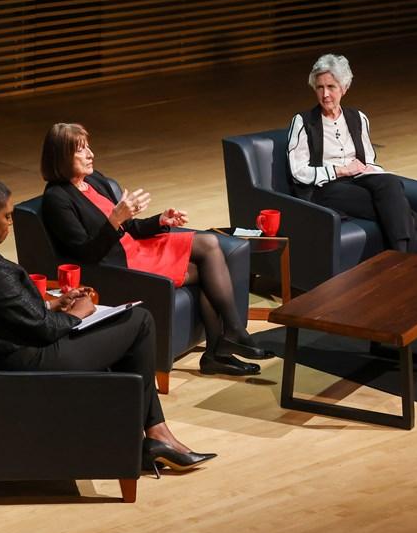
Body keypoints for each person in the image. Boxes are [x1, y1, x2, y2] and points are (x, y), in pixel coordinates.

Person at [0, 176, 213, 475]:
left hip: (13, 347)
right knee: (141, 321)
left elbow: (1, 310)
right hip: (31, 359)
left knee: (128, 324)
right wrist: (77, 314)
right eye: (6, 216)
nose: (11, 223)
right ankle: (151, 435)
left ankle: (143, 435)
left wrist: (52, 303)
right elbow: (42, 329)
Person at [40, 123, 266, 377]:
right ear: (61, 157)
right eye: (81, 150)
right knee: (208, 267)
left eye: (88, 146)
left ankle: (223, 344)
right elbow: (86, 253)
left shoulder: (94, 181)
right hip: (119, 263)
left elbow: (130, 227)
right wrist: (115, 220)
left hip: (135, 247)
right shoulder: (56, 199)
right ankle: (223, 343)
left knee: (210, 244)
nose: (91, 154)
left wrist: (160, 220)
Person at [286, 53, 417, 251]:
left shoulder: (358, 118)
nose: (325, 95)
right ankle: (408, 258)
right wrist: (340, 171)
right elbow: (298, 172)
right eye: (320, 87)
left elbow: (368, 161)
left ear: (344, 88)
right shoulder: (303, 122)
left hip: (357, 180)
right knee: (408, 216)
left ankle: (402, 259)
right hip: (326, 188)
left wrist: (373, 175)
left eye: (331, 87)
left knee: (391, 183)